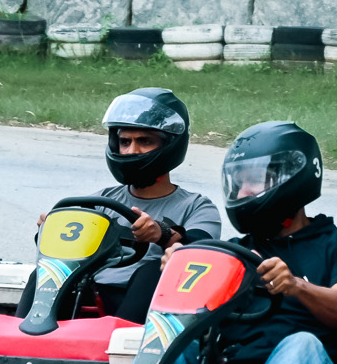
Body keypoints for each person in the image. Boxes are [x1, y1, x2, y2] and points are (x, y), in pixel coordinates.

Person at [162, 121, 337, 364]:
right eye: (238, 183)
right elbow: (194, 317)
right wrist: (177, 272)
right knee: (172, 335)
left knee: (303, 345)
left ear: (292, 177)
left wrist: (297, 286)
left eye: (253, 180)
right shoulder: (235, 250)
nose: (241, 193)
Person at [42, 88, 221, 322]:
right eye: (125, 141)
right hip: (91, 292)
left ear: (170, 145)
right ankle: (24, 338)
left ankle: (120, 345)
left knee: (150, 271)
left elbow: (201, 251)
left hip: (151, 304)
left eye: (145, 141)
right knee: (49, 274)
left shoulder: (197, 207)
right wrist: (52, 228)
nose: (131, 151)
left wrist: (162, 234)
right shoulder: (101, 200)